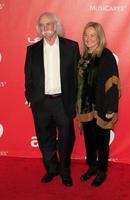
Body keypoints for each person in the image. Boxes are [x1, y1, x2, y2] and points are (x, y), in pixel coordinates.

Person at [24, 12, 80, 187]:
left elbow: (76, 78)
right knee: (45, 139)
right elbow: (29, 77)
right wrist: (31, 98)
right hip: (41, 103)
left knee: (65, 139)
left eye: (48, 24)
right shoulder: (32, 50)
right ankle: (51, 169)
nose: (45, 28)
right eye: (42, 25)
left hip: (63, 102)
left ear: (55, 26)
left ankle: (64, 171)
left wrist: (74, 102)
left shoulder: (71, 47)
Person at [77, 22, 120, 187]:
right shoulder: (84, 57)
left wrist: (111, 108)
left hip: (101, 107)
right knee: (89, 140)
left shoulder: (106, 56)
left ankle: (102, 171)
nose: (88, 38)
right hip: (86, 108)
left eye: (92, 35)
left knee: (102, 142)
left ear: (99, 37)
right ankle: (92, 167)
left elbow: (113, 83)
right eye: (86, 35)